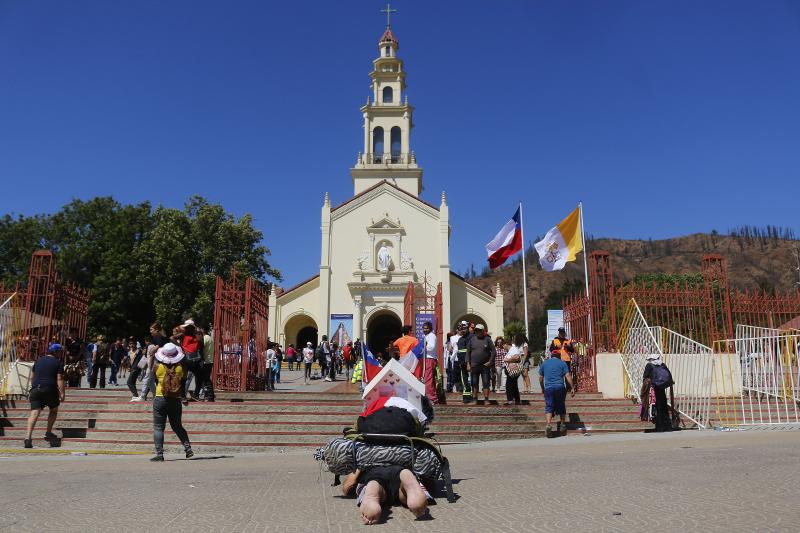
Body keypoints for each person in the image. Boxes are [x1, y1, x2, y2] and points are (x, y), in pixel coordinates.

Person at [150, 342, 194, 461]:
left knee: (159, 427)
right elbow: (183, 383)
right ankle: (188, 448)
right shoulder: (181, 368)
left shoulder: (157, 367)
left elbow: (153, 382)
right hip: (175, 399)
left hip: (160, 398)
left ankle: (160, 454)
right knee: (178, 426)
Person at [24, 343, 65, 448]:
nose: (61, 353)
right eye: (60, 351)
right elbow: (59, 378)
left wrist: (31, 389)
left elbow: (32, 377)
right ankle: (48, 431)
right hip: (49, 389)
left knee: (34, 413)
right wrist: (62, 393)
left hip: (35, 389)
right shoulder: (58, 362)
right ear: (55, 352)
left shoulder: (38, 361)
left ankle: (28, 437)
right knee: (54, 410)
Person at [539, 351, 575, 436]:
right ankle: (562, 425)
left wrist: (542, 388)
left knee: (549, 406)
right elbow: (568, 376)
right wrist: (572, 387)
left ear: (551, 356)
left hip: (548, 388)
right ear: (559, 356)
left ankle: (548, 425)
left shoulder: (545, 363)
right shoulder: (562, 363)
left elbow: (540, 378)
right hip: (560, 387)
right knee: (561, 405)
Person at [640, 353, 675, 432]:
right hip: (662, 388)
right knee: (664, 407)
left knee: (657, 408)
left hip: (654, 388)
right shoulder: (662, 364)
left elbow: (645, 376)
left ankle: (660, 427)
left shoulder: (649, 365)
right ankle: (667, 426)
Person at [466, 324, 495, 404]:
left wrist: (490, 361)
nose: (477, 332)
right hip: (474, 365)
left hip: (485, 366)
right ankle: (474, 399)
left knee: (486, 383)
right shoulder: (472, 340)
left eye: (479, 330)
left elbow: (493, 351)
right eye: (476, 330)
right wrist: (468, 364)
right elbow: (468, 352)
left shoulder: (487, 339)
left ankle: (486, 399)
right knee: (474, 383)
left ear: (483, 331)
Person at [177, 320, 203, 400]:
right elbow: (172, 338)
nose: (187, 328)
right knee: (185, 377)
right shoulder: (183, 335)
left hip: (193, 359)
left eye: (188, 327)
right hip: (188, 359)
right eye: (186, 327)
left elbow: (201, 345)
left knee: (197, 377)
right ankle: (183, 395)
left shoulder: (196, 335)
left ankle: (192, 394)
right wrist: (182, 348)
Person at [503, 334, 525, 405]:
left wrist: (507, 360)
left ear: (506, 344)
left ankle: (510, 400)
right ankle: (517, 400)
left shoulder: (513, 349)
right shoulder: (511, 350)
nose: (503, 347)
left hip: (513, 370)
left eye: (503, 345)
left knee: (509, 385)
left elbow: (517, 358)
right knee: (514, 385)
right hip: (511, 371)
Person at [454, 321, 472, 402]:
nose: (462, 330)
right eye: (461, 329)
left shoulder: (472, 337)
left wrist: (469, 362)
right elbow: (460, 352)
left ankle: (472, 397)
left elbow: (471, 351)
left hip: (471, 363)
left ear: (468, 328)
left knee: (472, 380)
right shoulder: (460, 339)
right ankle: (466, 397)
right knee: (464, 381)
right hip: (462, 363)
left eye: (464, 328)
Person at [421, 321, 438, 404]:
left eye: (427, 328)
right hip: (427, 358)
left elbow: (431, 347)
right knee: (429, 379)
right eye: (424, 328)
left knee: (428, 379)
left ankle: (431, 398)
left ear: (430, 328)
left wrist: (422, 347)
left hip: (429, 359)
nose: (425, 330)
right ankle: (432, 396)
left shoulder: (431, 336)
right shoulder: (426, 336)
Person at [199, 327, 214, 401]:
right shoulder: (210, 338)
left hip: (206, 361)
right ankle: (210, 395)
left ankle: (210, 396)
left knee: (206, 379)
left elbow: (200, 347)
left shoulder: (205, 338)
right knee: (207, 378)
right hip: (210, 361)